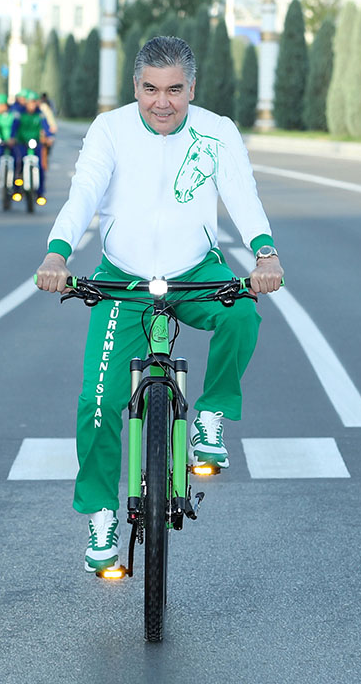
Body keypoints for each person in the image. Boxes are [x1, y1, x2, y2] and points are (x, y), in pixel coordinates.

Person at [34, 36, 284, 573]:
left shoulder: (217, 132)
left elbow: (242, 194)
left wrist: (265, 254)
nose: (162, 102)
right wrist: (57, 255)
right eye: (150, 89)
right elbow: (84, 195)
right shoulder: (111, 130)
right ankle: (101, 518)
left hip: (195, 271)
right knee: (96, 404)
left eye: (174, 89)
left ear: (192, 87)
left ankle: (211, 415)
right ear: (135, 88)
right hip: (123, 282)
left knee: (243, 312)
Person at [12, 89, 54, 201]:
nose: (32, 104)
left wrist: (49, 136)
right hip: (21, 142)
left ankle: (40, 193)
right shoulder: (20, 113)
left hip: (35, 143)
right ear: (26, 103)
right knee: (18, 163)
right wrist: (12, 137)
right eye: (30, 102)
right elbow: (14, 127)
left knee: (40, 167)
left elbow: (46, 126)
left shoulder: (40, 114)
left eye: (34, 102)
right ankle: (16, 189)